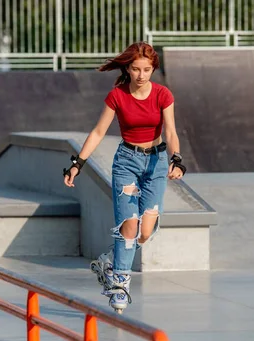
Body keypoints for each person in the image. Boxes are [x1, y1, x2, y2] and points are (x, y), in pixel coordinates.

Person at [62, 41, 186, 314]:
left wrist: (177, 159)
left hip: (156, 162)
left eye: (147, 69)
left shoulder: (163, 94)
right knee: (129, 226)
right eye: (136, 69)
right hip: (126, 163)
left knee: (146, 229)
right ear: (127, 69)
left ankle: (108, 259)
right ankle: (119, 283)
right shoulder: (117, 95)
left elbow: (171, 132)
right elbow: (97, 132)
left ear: (153, 68)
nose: (141, 75)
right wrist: (77, 164)